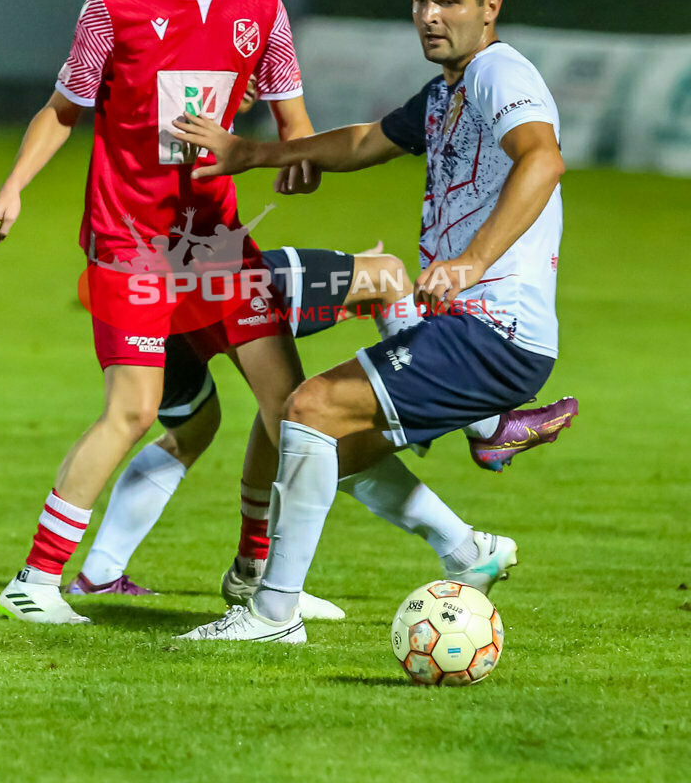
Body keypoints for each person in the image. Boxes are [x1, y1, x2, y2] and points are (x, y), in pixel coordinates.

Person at [0, 0, 333, 625]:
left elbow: (295, 127)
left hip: (215, 241)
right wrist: (12, 190)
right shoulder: (116, 3)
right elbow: (63, 112)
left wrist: (295, 163)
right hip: (131, 242)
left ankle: (258, 575)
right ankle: (34, 581)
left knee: (293, 405)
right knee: (132, 409)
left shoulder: (262, 12)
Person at [173, 0, 570, 642]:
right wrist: (258, 153)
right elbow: (366, 141)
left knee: (309, 408)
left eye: (448, 0)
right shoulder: (450, 89)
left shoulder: (498, 75)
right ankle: (467, 547)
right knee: (335, 451)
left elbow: (542, 161)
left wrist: (474, 261)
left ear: (490, 7)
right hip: (472, 324)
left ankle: (271, 615)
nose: (429, 15)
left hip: (492, 328)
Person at [67, 242, 577, 599]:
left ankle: (101, 574)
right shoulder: (246, 82)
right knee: (385, 279)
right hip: (220, 276)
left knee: (210, 426)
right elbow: (305, 142)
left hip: (151, 295)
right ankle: (482, 436)